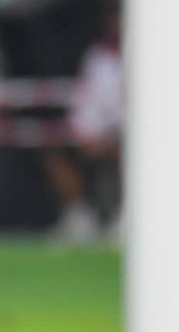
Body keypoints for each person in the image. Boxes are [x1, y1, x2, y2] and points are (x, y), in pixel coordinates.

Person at [47, 27, 124, 245]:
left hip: (124, 133)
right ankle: (80, 215)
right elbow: (86, 100)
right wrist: (84, 132)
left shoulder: (147, 54)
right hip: (97, 132)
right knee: (57, 149)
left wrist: (113, 134)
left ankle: (125, 216)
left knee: (129, 150)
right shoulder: (97, 55)